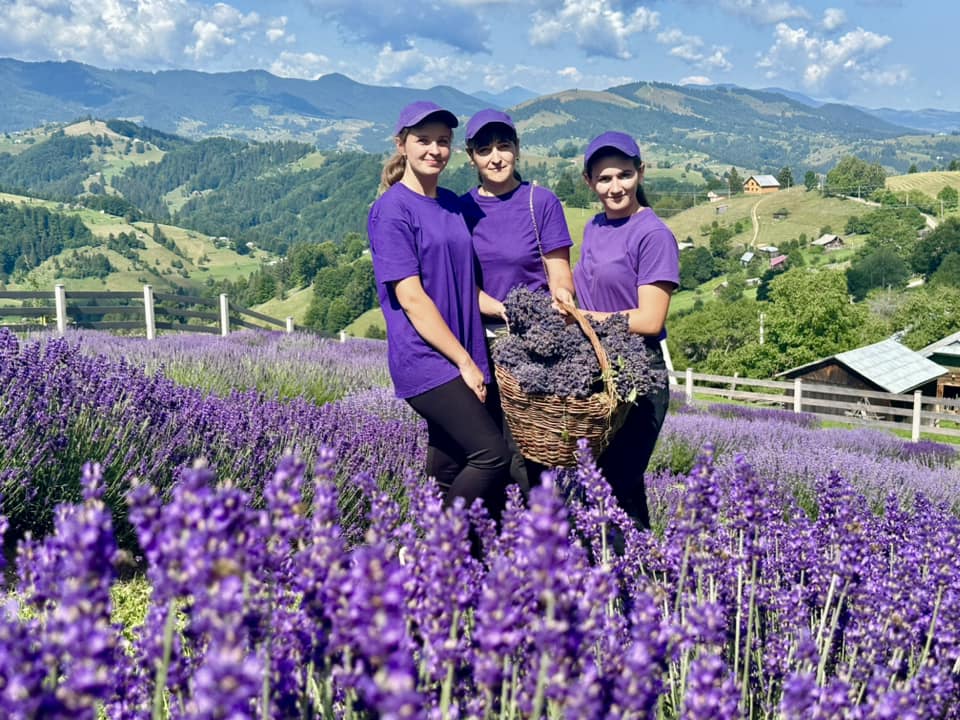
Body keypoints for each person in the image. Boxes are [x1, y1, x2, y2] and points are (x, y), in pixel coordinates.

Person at [367, 100, 511, 521]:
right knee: (491, 456)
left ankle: (450, 573)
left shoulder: (450, 203)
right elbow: (412, 297)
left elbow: (464, 282)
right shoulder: (392, 210)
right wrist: (465, 361)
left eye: (443, 142)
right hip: (428, 359)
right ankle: (433, 551)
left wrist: (510, 311)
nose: (434, 150)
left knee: (450, 465)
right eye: (423, 140)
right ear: (402, 145)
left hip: (462, 351)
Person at [458, 109, 576, 491]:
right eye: (484, 149)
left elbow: (559, 271)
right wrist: (499, 308)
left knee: (530, 452)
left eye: (504, 146)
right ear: (471, 156)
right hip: (479, 341)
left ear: (518, 150)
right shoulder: (461, 210)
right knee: (487, 450)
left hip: (533, 346)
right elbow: (459, 284)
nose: (496, 157)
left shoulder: (539, 202)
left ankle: (540, 535)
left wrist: (561, 299)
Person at [574, 131, 680, 530]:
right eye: (604, 179)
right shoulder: (595, 227)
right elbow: (585, 282)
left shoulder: (653, 235)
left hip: (639, 374)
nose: (615, 187)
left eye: (624, 175)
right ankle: (642, 577)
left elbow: (650, 320)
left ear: (640, 173)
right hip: (596, 370)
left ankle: (623, 579)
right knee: (617, 489)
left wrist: (583, 318)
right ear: (589, 182)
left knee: (611, 485)